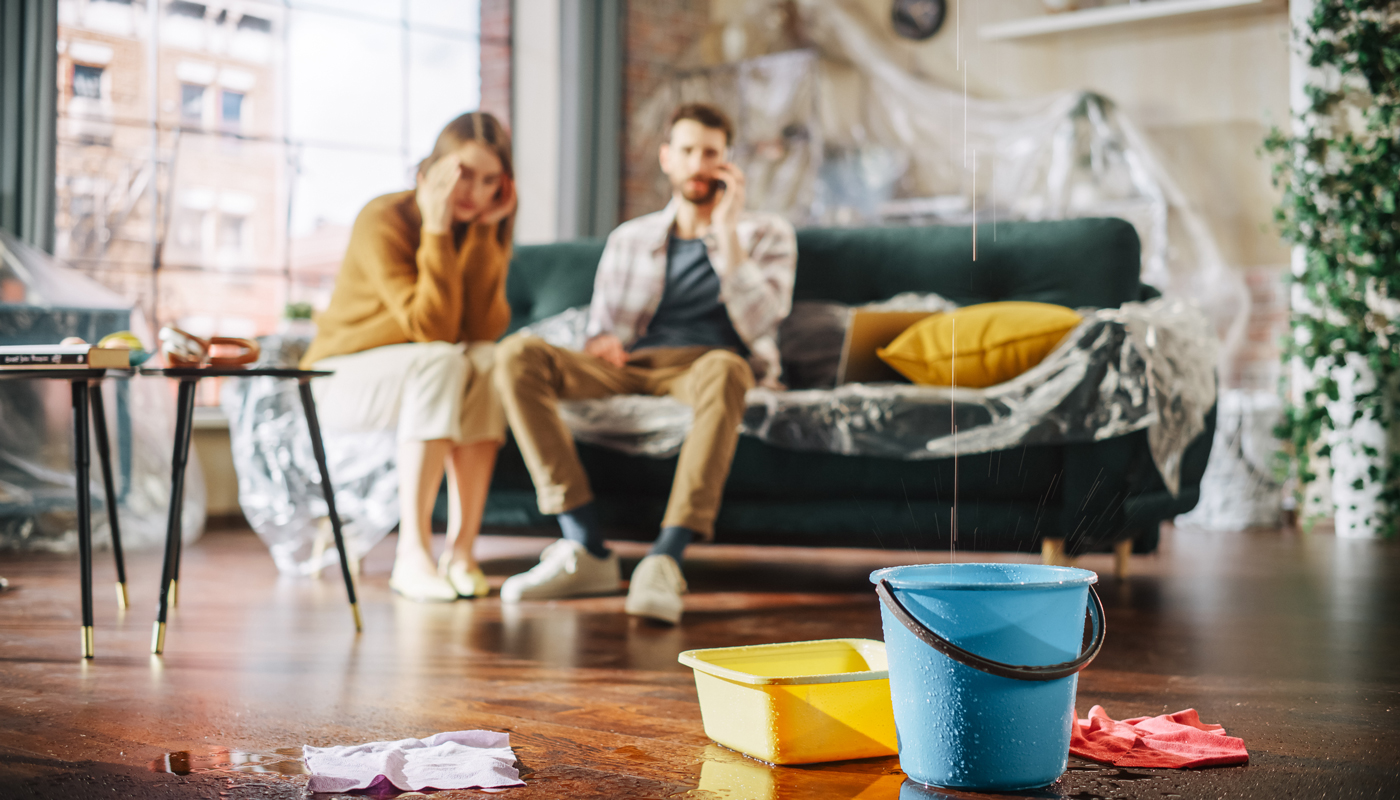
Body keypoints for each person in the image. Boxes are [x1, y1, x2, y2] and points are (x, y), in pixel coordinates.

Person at [493, 103, 797, 624]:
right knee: (516, 354)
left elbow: (764, 320)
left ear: (727, 163)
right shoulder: (628, 239)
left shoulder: (765, 234)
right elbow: (602, 329)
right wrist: (603, 342)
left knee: (728, 368)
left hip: (708, 368)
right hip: (633, 365)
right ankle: (585, 545)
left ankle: (665, 558)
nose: (698, 163)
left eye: (711, 153)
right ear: (666, 158)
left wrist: (724, 234)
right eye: (687, 151)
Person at [301, 111, 517, 603]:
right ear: (430, 170)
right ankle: (413, 555)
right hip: (339, 378)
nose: (473, 192)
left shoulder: (479, 226)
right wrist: (437, 230)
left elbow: (482, 330)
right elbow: (433, 330)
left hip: (421, 374)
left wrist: (484, 234)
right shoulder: (384, 218)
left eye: (489, 181)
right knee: (441, 359)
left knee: (488, 360)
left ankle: (462, 552)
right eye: (462, 174)